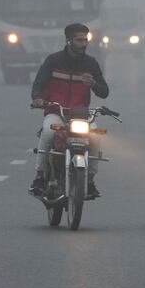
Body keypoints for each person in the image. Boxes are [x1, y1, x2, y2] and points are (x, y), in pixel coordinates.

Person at [29, 23, 109, 198]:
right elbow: (39, 84)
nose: (84, 44)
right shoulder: (53, 60)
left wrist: (94, 84)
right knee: (49, 133)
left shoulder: (91, 63)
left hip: (81, 116)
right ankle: (40, 177)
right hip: (56, 113)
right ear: (68, 41)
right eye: (79, 40)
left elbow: (104, 91)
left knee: (95, 137)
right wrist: (38, 98)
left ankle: (89, 180)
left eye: (85, 40)